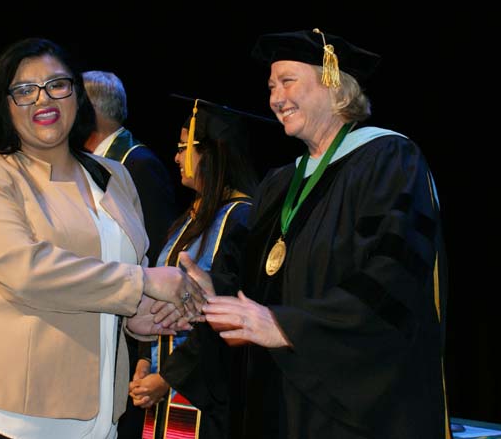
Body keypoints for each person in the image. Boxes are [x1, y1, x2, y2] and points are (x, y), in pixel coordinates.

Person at [183, 28, 451, 438]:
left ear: (333, 83)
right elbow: (255, 278)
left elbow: (394, 279)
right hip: (277, 401)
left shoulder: (389, 159)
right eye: (271, 87)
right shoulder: (279, 183)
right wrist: (211, 291)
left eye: (287, 81)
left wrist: (287, 326)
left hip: (354, 411)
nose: (275, 98)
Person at [0, 37, 205, 439]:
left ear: (78, 96)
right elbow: (27, 271)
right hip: (9, 415)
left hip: (100, 415)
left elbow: (120, 283)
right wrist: (142, 284)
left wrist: (145, 314)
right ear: (4, 104)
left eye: (57, 85)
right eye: (24, 90)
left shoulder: (115, 176)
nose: (42, 98)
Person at [130, 96, 266, 438]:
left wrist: (168, 378)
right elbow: (159, 296)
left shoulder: (241, 218)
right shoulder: (188, 220)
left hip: (204, 392)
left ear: (212, 153)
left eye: (183, 148)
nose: (176, 157)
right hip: (163, 385)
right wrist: (145, 359)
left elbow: (226, 312)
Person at [82, 70, 178, 439]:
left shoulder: (138, 165)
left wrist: (144, 353)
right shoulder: (84, 165)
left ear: (91, 110)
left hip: (129, 333)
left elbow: (154, 257)